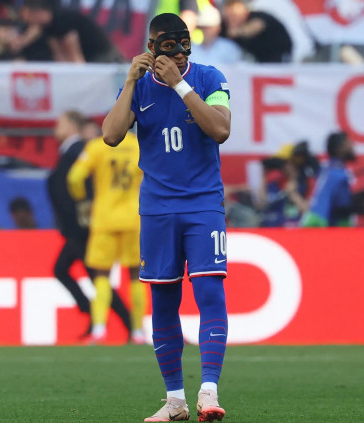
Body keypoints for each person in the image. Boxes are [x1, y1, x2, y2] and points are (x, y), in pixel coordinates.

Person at [102, 12, 231, 422]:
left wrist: (180, 85)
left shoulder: (210, 78)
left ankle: (208, 392)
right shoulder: (140, 87)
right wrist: (129, 82)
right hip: (158, 209)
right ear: (151, 46)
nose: (176, 52)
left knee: (210, 292)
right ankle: (175, 401)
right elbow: (110, 135)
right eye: (167, 44)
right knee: (163, 302)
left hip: (203, 204)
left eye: (182, 43)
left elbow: (221, 129)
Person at [47, 110, 132, 339]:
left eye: (60, 123)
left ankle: (123, 324)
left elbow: (83, 184)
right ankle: (110, 320)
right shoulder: (72, 150)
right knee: (68, 271)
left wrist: (83, 219)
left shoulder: (79, 150)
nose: (56, 127)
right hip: (77, 227)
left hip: (81, 228)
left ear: (71, 126)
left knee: (95, 276)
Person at [67, 131, 147, 344]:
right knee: (136, 275)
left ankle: (99, 329)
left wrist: (81, 200)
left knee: (101, 274)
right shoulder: (138, 146)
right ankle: (138, 332)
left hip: (104, 219)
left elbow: (74, 177)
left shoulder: (97, 146)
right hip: (133, 218)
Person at [300, 131, 364, 227]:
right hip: (322, 223)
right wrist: (362, 207)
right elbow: (342, 207)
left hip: (311, 220)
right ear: (339, 149)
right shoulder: (339, 174)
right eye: (348, 143)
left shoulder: (326, 168)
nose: (353, 145)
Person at [18, 0, 122, 63]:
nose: (27, 21)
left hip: (104, 57)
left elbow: (75, 57)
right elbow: (60, 56)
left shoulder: (62, 20)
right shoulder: (47, 27)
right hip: (90, 59)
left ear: (37, 12)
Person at [222, 0, 292, 63]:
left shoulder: (258, 16)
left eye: (234, 15)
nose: (231, 18)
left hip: (278, 56)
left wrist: (237, 31)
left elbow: (256, 26)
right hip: (256, 61)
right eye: (228, 16)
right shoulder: (225, 26)